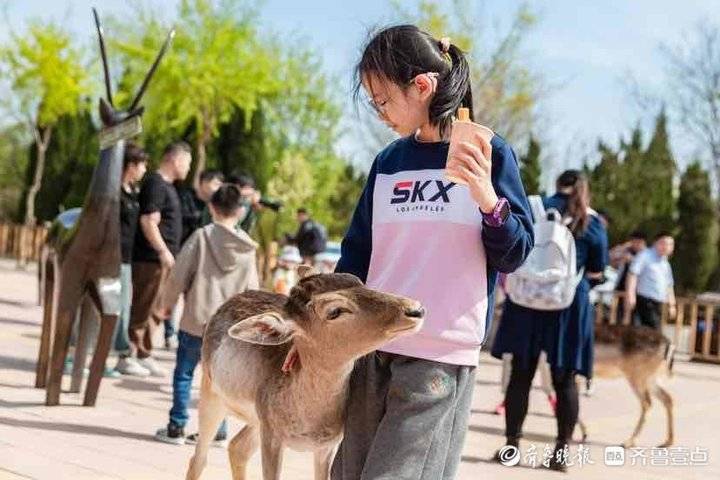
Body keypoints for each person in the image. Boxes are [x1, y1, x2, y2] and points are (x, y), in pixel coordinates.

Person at [331, 26, 534, 480]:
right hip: (373, 343)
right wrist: (322, 331)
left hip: (439, 355)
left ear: (422, 86)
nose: (378, 112)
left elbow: (516, 251)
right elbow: (356, 254)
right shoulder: (388, 162)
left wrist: (486, 197)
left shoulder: (490, 153)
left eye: (382, 100)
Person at [491, 170, 608, 472]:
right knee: (564, 380)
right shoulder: (592, 222)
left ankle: (511, 447)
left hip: (526, 302)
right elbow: (598, 268)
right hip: (567, 307)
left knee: (520, 376)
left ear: (557, 185)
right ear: (584, 189)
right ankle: (560, 455)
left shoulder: (534, 209)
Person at [154, 183, 259, 445]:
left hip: (195, 321)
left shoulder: (201, 237)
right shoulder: (247, 249)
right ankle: (217, 432)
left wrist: (166, 304)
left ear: (211, 208)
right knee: (218, 383)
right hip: (227, 330)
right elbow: (253, 290)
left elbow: (179, 274)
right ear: (240, 211)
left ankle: (177, 426)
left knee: (184, 375)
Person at [128, 141, 192, 377]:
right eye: (187, 162)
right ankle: (129, 354)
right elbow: (148, 221)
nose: (187, 168)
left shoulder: (169, 187)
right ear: (175, 160)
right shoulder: (155, 183)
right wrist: (163, 251)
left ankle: (143, 353)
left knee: (156, 308)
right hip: (150, 260)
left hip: (162, 261)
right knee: (143, 306)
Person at [114, 143, 150, 376]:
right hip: (112, 257)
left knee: (123, 309)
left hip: (128, 259)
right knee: (109, 309)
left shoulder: (134, 192)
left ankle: (122, 357)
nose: (145, 170)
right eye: (142, 165)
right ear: (130, 165)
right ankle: (73, 355)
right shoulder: (113, 192)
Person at [625, 232, 676, 329]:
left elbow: (669, 285)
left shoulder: (665, 263)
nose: (666, 247)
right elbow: (632, 274)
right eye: (663, 243)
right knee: (652, 329)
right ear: (655, 243)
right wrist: (630, 295)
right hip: (645, 299)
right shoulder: (645, 256)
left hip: (659, 302)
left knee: (652, 330)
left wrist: (672, 305)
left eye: (670, 244)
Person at [177, 170, 224, 244]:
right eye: (216, 184)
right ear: (204, 182)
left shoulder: (215, 205)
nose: (218, 189)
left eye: (220, 186)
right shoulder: (184, 197)